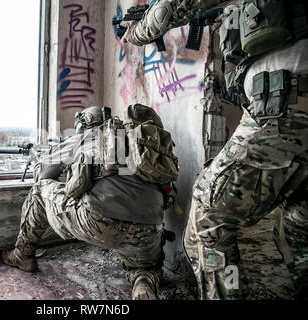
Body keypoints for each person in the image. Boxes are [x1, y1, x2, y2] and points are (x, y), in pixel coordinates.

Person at [121, 0, 308, 299]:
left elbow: (172, 8)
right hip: (287, 100)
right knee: (300, 223)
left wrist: (137, 31)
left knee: (208, 220)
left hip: (287, 97)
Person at [1, 105, 178, 300]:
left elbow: (44, 176)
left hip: (99, 222)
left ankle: (22, 254)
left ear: (84, 124)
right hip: (149, 228)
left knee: (39, 191)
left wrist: (42, 159)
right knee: (146, 267)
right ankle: (143, 283)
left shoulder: (90, 136)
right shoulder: (150, 152)